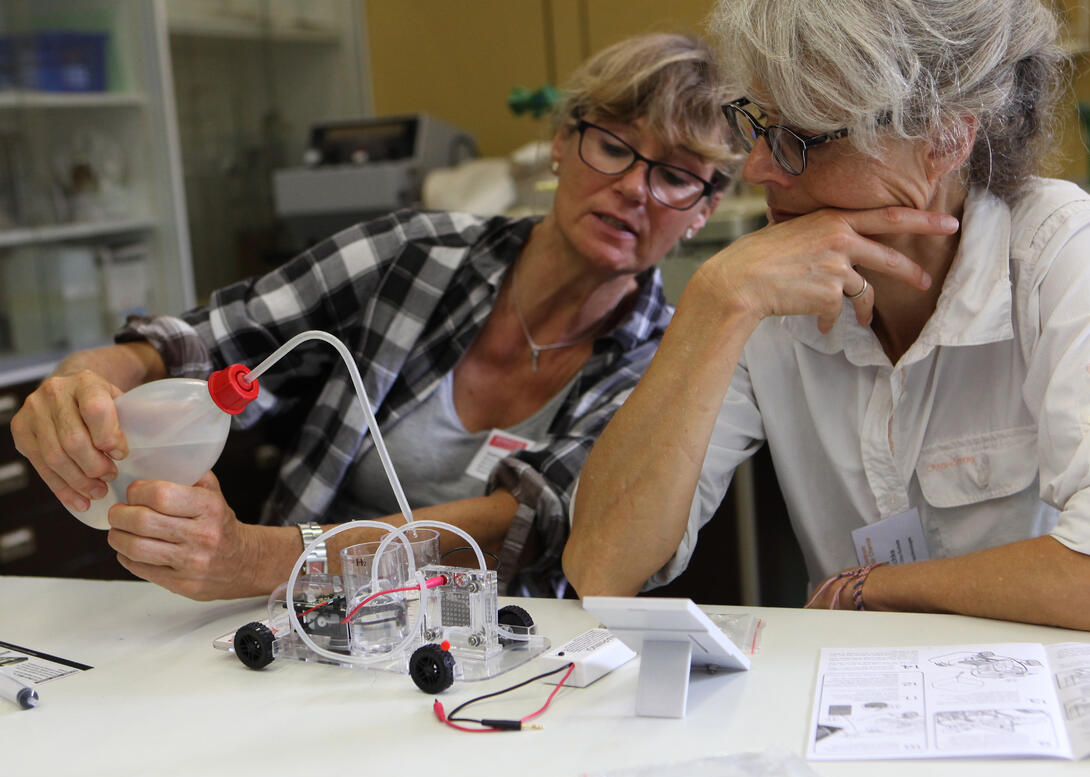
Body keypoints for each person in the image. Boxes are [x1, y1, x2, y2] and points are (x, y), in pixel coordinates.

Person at [11, 32, 740, 601]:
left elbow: (524, 524)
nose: (634, 188)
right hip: (297, 625)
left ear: (706, 209)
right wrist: (86, 380)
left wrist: (256, 558)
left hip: (501, 654)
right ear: (559, 143)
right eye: (612, 146)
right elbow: (205, 342)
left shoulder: (664, 363)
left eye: (675, 175)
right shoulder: (413, 254)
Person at [563, 0, 1090, 633]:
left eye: (802, 140)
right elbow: (601, 566)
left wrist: (874, 590)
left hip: (1060, 699)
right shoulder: (760, 284)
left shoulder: (1049, 247)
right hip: (861, 707)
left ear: (945, 139)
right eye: (757, 124)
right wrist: (713, 299)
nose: (756, 168)